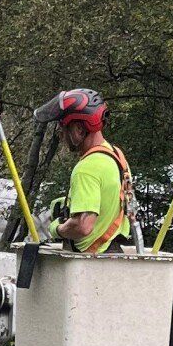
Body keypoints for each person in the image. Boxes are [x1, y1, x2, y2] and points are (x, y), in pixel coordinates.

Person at [35, 86, 135, 253]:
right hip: (114, 256)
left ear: (79, 129)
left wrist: (56, 229)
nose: (62, 136)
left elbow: (83, 226)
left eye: (63, 128)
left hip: (90, 266)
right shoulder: (116, 155)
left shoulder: (86, 168)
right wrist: (73, 203)